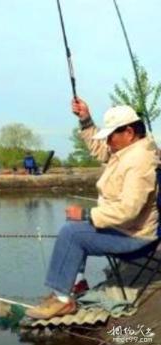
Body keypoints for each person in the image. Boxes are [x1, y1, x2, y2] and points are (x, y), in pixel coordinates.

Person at [26, 98, 159, 320]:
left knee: (71, 232)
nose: (107, 141)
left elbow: (129, 209)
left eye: (111, 135)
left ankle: (62, 300)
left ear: (128, 132)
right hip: (126, 228)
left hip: (135, 237)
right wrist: (85, 120)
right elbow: (100, 150)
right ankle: (75, 284)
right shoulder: (130, 150)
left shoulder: (139, 161)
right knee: (75, 227)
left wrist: (88, 214)